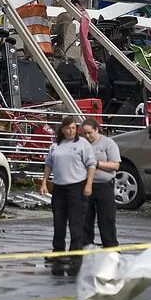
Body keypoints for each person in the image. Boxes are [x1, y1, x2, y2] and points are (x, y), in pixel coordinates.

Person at [40, 117, 97, 273]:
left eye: (73, 128)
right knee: (59, 222)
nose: (70, 131)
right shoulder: (55, 146)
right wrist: (44, 182)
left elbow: (91, 164)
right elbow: (48, 164)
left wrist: (89, 183)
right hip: (59, 188)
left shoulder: (82, 144)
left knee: (76, 223)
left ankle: (76, 255)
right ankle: (58, 251)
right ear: (62, 130)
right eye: (67, 128)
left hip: (77, 187)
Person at [81, 117, 120, 248]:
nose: (87, 136)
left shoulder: (108, 143)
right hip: (85, 184)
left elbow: (115, 165)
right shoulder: (82, 144)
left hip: (104, 185)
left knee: (106, 218)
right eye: (84, 133)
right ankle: (86, 246)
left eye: (89, 133)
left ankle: (111, 247)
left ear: (96, 130)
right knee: (86, 218)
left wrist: (97, 164)